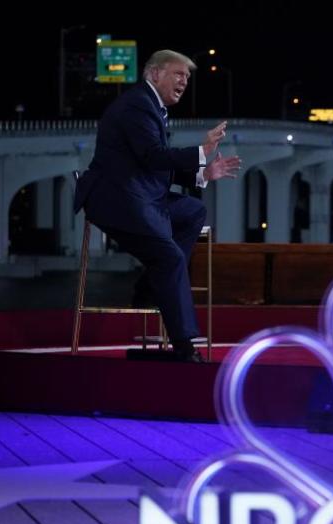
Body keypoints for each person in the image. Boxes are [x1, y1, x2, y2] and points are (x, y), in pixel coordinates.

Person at [74, 49, 241, 362]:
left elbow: (154, 165)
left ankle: (153, 281)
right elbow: (153, 157)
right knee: (170, 256)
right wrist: (202, 151)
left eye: (188, 77)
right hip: (116, 198)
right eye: (178, 74)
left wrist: (204, 172)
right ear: (154, 74)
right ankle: (183, 346)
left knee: (193, 211)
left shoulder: (152, 106)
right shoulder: (137, 106)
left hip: (142, 193)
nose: (184, 81)